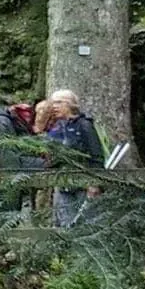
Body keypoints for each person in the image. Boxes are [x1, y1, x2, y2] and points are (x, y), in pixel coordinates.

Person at [48, 89, 104, 228]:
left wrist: (94, 183)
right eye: (53, 103)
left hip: (84, 185)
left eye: (59, 102)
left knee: (87, 225)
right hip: (64, 185)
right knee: (66, 226)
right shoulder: (58, 128)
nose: (54, 106)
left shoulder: (84, 125)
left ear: (70, 104)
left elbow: (96, 156)